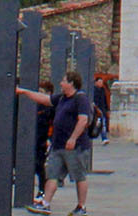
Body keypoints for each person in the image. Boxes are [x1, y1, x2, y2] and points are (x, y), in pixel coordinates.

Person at [16, 70, 93, 214]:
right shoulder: (62, 98)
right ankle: (46, 203)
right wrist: (24, 92)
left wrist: (73, 138)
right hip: (58, 145)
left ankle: (81, 206)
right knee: (52, 174)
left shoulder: (80, 99)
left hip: (75, 147)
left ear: (71, 83)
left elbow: (83, 120)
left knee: (79, 175)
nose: (61, 83)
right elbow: (44, 99)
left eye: (63, 81)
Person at [30, 78, 55, 196]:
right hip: (34, 137)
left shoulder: (50, 107)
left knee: (39, 164)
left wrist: (50, 139)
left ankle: (41, 189)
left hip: (43, 139)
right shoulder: (36, 105)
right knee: (35, 164)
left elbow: (53, 123)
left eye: (41, 92)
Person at [89, 74, 109, 145]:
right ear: (96, 82)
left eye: (102, 82)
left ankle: (104, 138)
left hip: (102, 109)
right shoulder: (94, 90)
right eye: (100, 82)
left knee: (102, 124)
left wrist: (107, 109)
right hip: (96, 110)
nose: (101, 84)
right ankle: (101, 137)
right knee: (98, 124)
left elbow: (104, 100)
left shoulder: (102, 90)